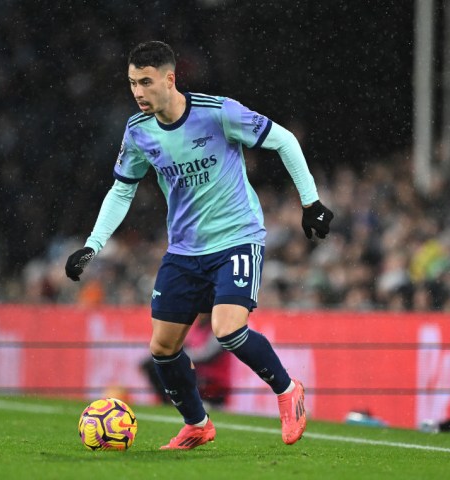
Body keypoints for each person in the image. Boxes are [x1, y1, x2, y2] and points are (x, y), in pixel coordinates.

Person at [65, 41, 333, 450]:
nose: (137, 91)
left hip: (237, 239)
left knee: (228, 329)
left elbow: (285, 140)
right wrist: (93, 244)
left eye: (146, 82)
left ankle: (287, 389)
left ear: (170, 79)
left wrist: (310, 202)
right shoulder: (138, 131)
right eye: (132, 82)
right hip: (185, 251)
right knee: (162, 347)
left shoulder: (217, 112)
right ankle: (198, 424)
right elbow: (122, 190)